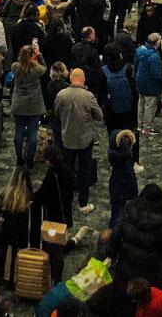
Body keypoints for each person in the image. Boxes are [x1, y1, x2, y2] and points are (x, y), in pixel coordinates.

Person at [54, 68, 104, 214]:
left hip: (67, 140)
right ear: (83, 79)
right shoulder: (89, 96)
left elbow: (56, 114)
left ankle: (66, 202)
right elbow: (99, 116)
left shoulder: (61, 95)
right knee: (84, 172)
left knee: (67, 171)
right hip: (85, 141)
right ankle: (83, 203)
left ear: (70, 78)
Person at [110, 182, 162, 288]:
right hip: (151, 275)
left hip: (126, 268)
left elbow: (116, 236)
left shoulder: (128, 211)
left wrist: (111, 254)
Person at [11, 43, 47, 168]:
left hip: (18, 105)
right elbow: (45, 68)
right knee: (33, 133)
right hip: (33, 105)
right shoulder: (37, 70)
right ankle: (30, 157)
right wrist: (39, 55)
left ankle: (19, 157)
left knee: (18, 132)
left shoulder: (15, 67)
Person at [134, 33, 162, 137]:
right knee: (150, 107)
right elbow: (156, 74)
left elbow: (136, 66)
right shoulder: (155, 57)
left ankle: (140, 125)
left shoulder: (139, 51)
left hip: (140, 82)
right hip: (151, 85)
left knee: (141, 104)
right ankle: (147, 128)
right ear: (156, 43)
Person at [109, 130, 139, 230]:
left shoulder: (112, 153)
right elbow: (126, 154)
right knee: (119, 214)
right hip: (123, 185)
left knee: (116, 214)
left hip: (117, 185)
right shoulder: (120, 155)